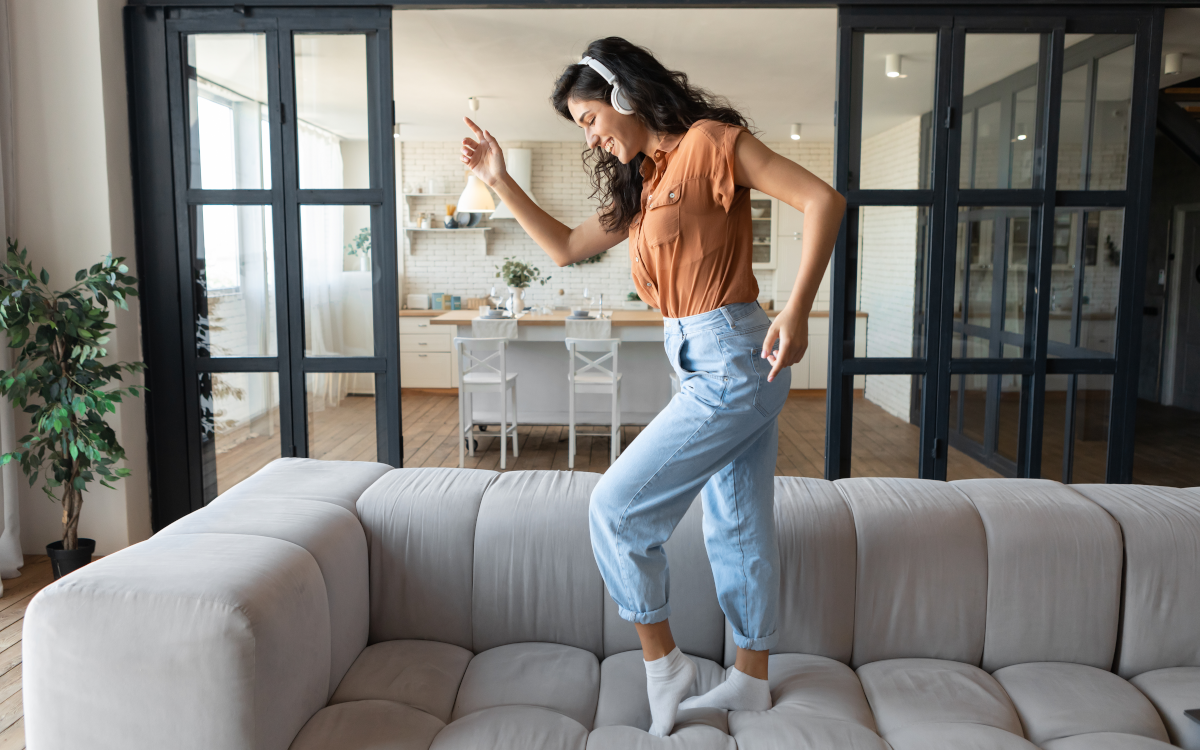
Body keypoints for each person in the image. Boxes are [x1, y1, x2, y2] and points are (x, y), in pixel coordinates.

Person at [459, 36, 844, 737]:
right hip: (703, 359)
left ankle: (667, 667)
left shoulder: (709, 143)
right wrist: (498, 179)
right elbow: (565, 248)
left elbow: (823, 200)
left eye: (589, 118)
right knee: (740, 525)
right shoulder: (642, 183)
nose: (592, 137)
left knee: (616, 508)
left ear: (626, 96)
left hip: (732, 357)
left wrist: (798, 306)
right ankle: (753, 680)